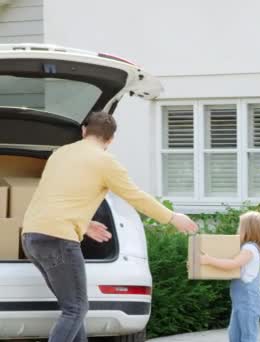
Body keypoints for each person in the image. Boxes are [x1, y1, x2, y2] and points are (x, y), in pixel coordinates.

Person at [21, 111, 198, 342]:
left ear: (84, 131)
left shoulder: (60, 154)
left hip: (32, 237)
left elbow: (53, 197)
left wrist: (83, 224)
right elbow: (135, 196)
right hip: (59, 240)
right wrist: (172, 217)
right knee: (76, 309)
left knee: (73, 308)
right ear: (111, 140)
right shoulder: (105, 162)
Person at [201, 211, 260, 342]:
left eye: (240, 226)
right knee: (234, 335)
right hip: (241, 302)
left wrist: (209, 260)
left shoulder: (249, 249)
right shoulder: (249, 247)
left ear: (248, 229)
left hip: (249, 301)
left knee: (248, 336)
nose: (238, 229)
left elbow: (233, 264)